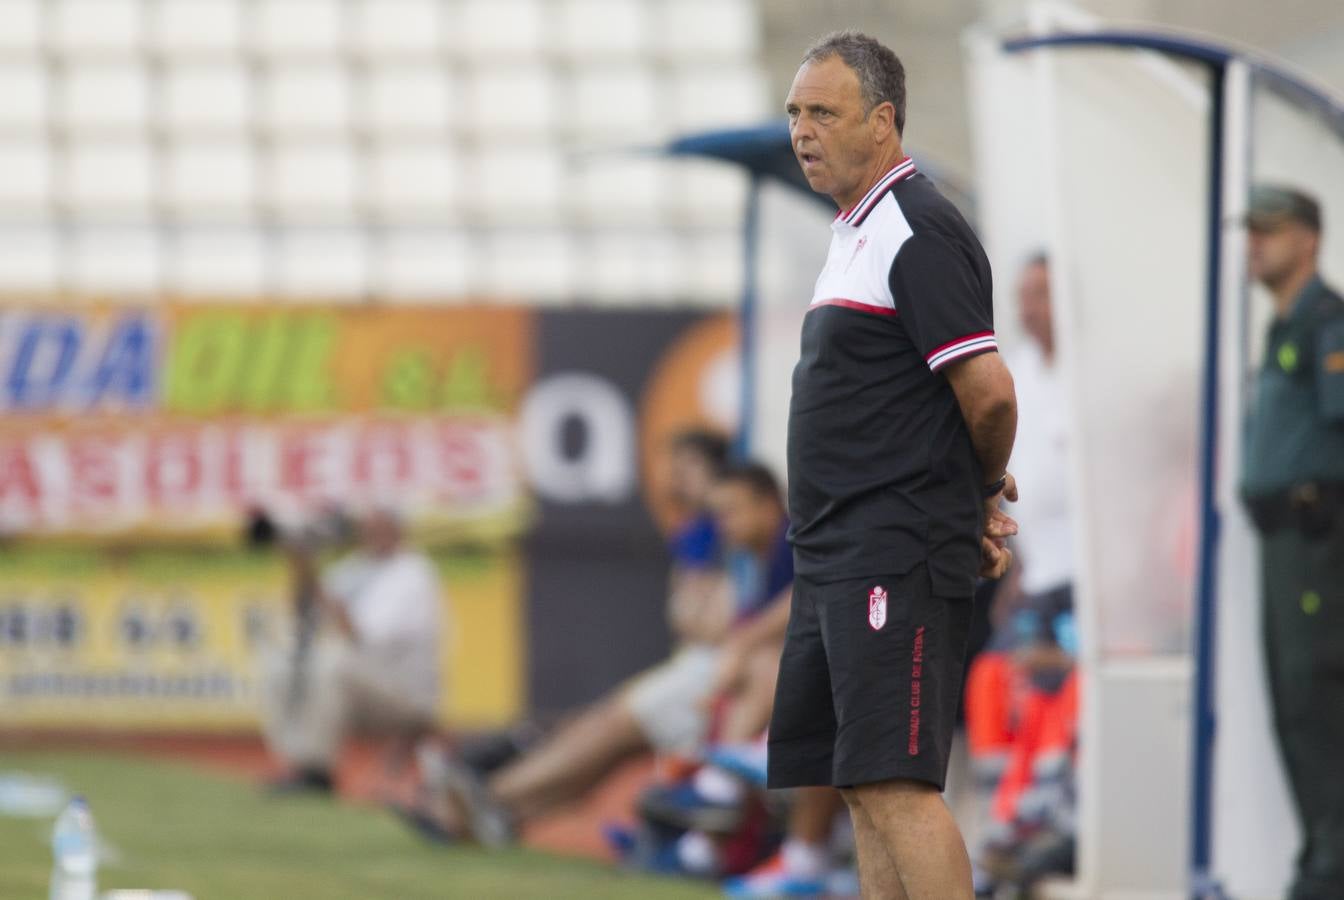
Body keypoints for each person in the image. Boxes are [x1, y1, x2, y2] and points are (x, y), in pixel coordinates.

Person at [767, 31, 1019, 900]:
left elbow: (990, 395)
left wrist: (977, 496)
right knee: (862, 784)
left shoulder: (917, 226)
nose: (802, 131)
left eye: (823, 112)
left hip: (891, 549)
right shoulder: (858, 228)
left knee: (897, 785)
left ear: (882, 121)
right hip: (837, 551)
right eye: (795, 112)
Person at [1239, 184, 1344, 900]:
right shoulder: (1284, 327)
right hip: (1283, 546)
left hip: (1316, 543)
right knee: (1289, 700)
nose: (1254, 244)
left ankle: (1329, 867)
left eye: (1268, 231)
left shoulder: (1325, 324)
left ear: (1308, 239)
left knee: (1315, 697)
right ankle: (1321, 857)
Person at [261, 508, 444, 794]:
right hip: (363, 684)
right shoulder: (356, 567)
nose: (373, 534)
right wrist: (301, 564)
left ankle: (317, 772)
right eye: (369, 527)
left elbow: (358, 635)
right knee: (280, 665)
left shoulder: (412, 573)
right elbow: (306, 611)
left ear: (399, 530)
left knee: (331, 664)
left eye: (381, 526)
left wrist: (315, 577)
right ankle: (297, 765)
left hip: (404, 693)